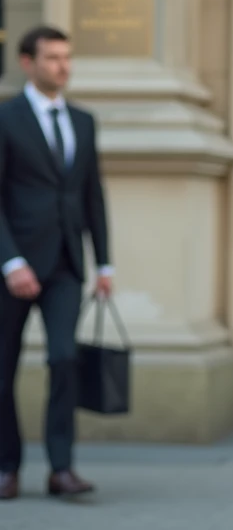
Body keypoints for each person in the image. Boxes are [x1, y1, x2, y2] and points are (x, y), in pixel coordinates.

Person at [0, 25, 113, 499]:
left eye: (67, 58)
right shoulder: (6, 117)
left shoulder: (83, 121)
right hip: (13, 268)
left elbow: (92, 194)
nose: (63, 66)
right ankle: (6, 468)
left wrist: (104, 264)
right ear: (27, 62)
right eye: (52, 58)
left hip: (66, 261)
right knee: (3, 368)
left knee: (65, 358)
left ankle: (61, 468)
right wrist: (10, 262)